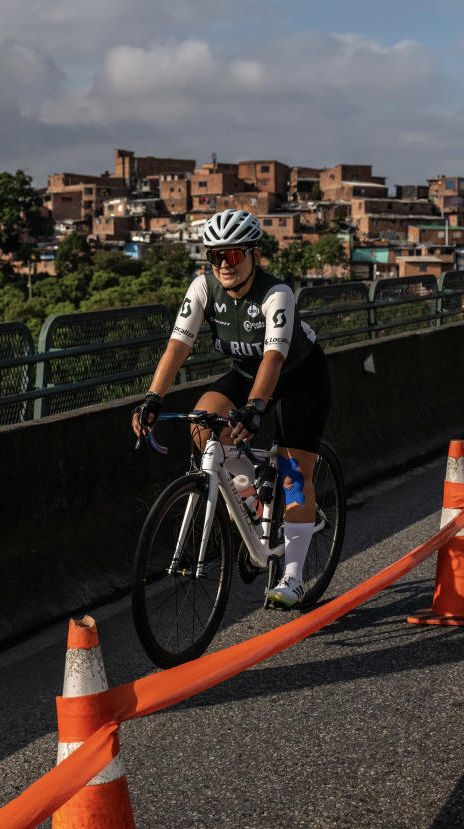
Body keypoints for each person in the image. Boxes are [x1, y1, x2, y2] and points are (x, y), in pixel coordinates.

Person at [131, 208, 331, 609]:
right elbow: (177, 346)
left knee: (293, 475)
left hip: (298, 378)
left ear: (254, 254)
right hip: (245, 371)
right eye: (216, 255)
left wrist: (255, 407)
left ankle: (291, 577)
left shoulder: (277, 294)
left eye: (234, 255)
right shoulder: (204, 288)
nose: (224, 264)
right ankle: (253, 497)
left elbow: (273, 360)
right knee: (202, 425)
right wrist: (153, 397)